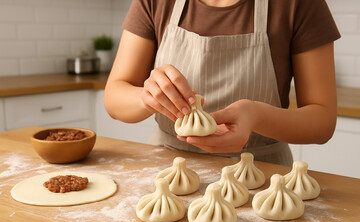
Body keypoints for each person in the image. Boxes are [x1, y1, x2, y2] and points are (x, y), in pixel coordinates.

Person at [104, 0, 340, 166]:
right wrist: (149, 96)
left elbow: (322, 122)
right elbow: (114, 95)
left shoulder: (299, 4)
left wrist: (255, 116)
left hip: (262, 175)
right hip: (167, 168)